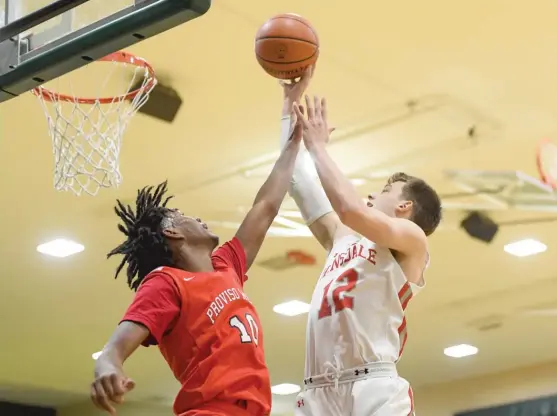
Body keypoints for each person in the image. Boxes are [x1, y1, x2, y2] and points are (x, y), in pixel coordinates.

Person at [90, 116, 305, 416]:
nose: (198, 218)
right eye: (183, 215)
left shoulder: (226, 266)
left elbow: (266, 206)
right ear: (173, 233)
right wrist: (107, 368)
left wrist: (294, 145)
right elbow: (115, 347)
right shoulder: (165, 282)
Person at [279, 73, 442, 415]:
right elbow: (294, 180)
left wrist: (319, 147)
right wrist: (288, 105)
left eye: (384, 191)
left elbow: (350, 208)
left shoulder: (412, 240)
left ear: (404, 207)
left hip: (373, 387)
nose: (371, 194)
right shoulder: (341, 235)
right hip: (316, 390)